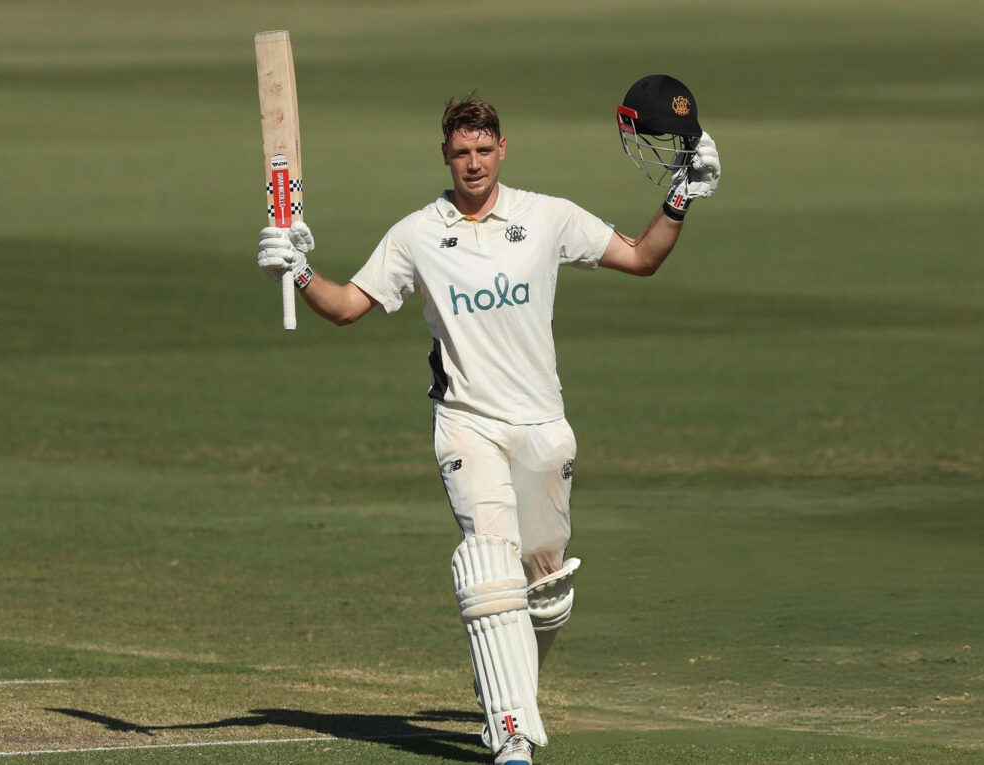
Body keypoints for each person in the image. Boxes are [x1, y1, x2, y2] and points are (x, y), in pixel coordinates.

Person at [256, 78, 720, 765]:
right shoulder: (417, 234)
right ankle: (509, 734)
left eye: (482, 149)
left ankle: (505, 669)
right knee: (488, 564)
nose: (472, 163)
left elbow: (642, 257)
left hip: (541, 425)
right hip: (465, 424)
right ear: (444, 156)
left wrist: (682, 195)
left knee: (543, 584)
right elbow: (349, 304)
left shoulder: (548, 216)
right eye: (459, 152)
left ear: (503, 150)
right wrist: (297, 272)